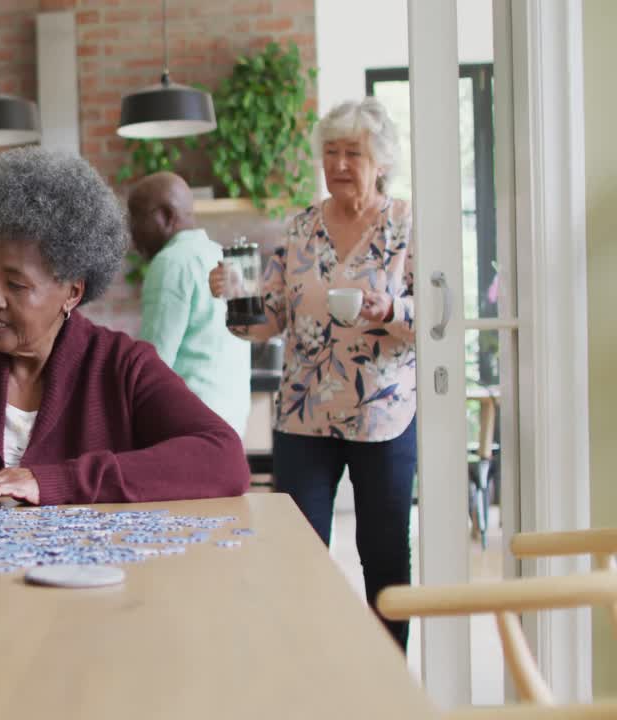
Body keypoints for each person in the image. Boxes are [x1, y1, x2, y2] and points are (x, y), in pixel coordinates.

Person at [0, 147, 250, 510]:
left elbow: (224, 459)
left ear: (72, 292)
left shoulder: (120, 365)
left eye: (16, 285)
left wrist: (52, 480)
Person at [209, 97, 416, 650]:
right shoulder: (301, 227)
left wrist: (389, 311)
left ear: (381, 162)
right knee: (296, 550)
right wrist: (238, 300)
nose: (341, 164)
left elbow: (435, 324)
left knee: (385, 555)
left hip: (382, 417)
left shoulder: (407, 225)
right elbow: (270, 320)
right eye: (331, 152)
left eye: (354, 153)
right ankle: (303, 663)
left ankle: (388, 670)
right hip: (304, 414)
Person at [129, 171, 252, 438]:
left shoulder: (172, 261)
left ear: (165, 216)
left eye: (137, 218)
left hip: (189, 430)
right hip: (230, 427)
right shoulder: (221, 254)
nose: (133, 232)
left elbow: (153, 363)